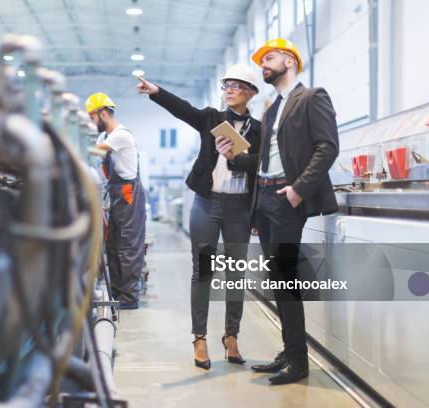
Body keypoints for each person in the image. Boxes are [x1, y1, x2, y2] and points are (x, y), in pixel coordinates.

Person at [137, 64, 261, 370]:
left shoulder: (260, 130)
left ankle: (231, 336)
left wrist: (257, 212)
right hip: (207, 203)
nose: (229, 90)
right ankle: (200, 338)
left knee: (236, 275)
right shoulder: (212, 118)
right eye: (226, 85)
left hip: (240, 208)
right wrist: (157, 93)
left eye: (236, 85)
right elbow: (183, 110)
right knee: (202, 271)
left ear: (251, 92)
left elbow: (261, 170)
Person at [236, 38, 339, 385]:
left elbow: (327, 148)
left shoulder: (311, 97)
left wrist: (297, 190)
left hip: (285, 197)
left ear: (290, 62)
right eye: (261, 60)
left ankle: (299, 361)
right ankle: (289, 351)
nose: (263, 64)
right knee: (277, 280)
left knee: (285, 279)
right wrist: (233, 153)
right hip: (264, 198)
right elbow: (261, 160)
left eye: (270, 58)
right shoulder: (270, 108)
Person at [85, 92, 146, 310]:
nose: (92, 124)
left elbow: (93, 152)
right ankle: (119, 293)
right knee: (114, 245)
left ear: (103, 113)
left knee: (127, 246)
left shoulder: (120, 135)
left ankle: (129, 297)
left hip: (129, 194)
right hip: (116, 194)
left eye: (92, 118)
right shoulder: (105, 138)